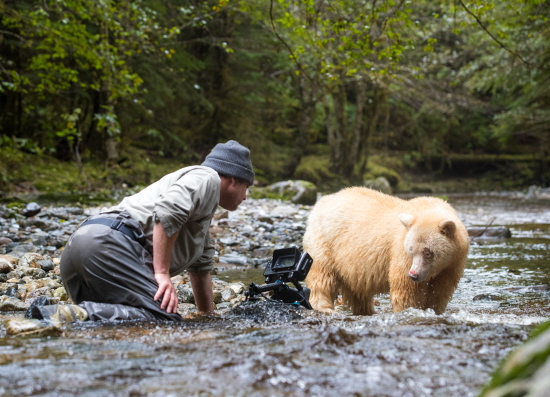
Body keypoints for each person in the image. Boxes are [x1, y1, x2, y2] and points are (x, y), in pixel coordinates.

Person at [24, 140, 254, 324]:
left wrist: (208, 319)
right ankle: (64, 313)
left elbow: (201, 271)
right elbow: (169, 210)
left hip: (82, 245)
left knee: (106, 326)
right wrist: (162, 273)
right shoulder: (207, 177)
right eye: (247, 188)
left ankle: (59, 316)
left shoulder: (199, 218)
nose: (245, 197)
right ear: (233, 179)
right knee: (163, 320)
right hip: (109, 246)